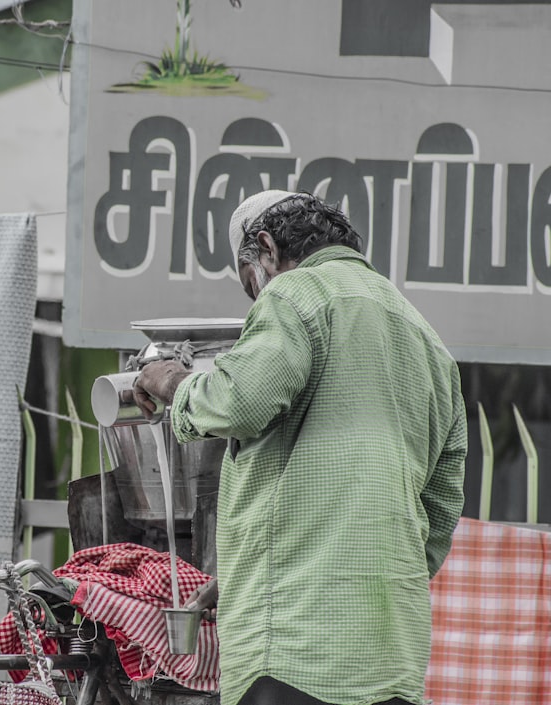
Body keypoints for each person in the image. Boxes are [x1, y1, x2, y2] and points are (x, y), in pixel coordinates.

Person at [133, 191, 467, 705]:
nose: (255, 299)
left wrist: (173, 381)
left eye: (250, 286)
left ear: (265, 247)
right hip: (391, 655)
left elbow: (236, 401)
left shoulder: (295, 295)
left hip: (294, 653)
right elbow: (440, 510)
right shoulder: (427, 338)